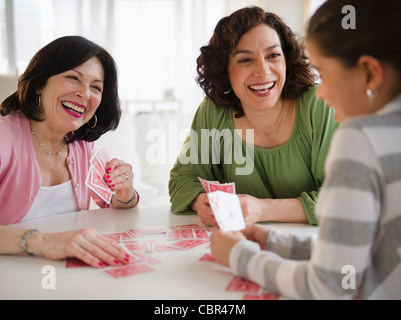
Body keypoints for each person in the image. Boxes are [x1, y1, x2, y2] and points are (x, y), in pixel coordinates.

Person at [210, 0, 401, 299]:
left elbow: (330, 286)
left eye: (325, 73)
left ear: (369, 74)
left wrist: (240, 257)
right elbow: (361, 247)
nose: (321, 91)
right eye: (245, 60)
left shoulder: (359, 140)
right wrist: (274, 240)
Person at [169, 6, 338, 226]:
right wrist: (200, 201)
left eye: (273, 55)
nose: (263, 71)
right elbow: (182, 181)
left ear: (287, 60)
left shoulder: (318, 104)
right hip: (242, 249)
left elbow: (345, 198)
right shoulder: (213, 110)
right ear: (224, 71)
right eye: (245, 60)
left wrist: (263, 210)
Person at [0, 36, 139, 268]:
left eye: (96, 87)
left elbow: (114, 205)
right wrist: (42, 242)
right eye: (73, 78)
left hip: (63, 271)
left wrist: (126, 193)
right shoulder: (5, 137)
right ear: (40, 83)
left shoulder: (81, 144)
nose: (85, 94)